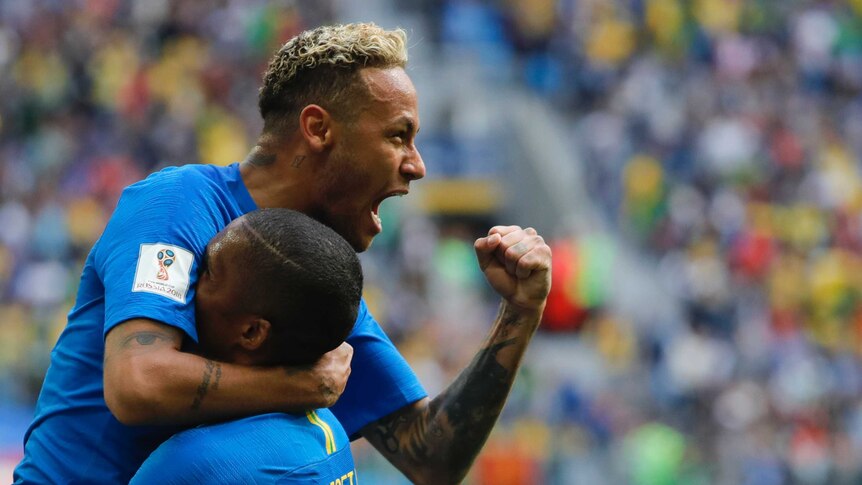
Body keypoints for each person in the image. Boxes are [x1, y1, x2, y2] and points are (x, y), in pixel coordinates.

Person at [15, 22, 552, 485]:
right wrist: (297, 386)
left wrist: (520, 313)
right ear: (318, 129)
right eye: (398, 135)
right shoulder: (179, 205)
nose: (417, 165)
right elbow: (137, 384)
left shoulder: (310, 270)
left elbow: (431, 455)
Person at [131, 208, 363, 484]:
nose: (190, 281)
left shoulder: (196, 463)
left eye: (208, 272)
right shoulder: (328, 427)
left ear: (252, 332)